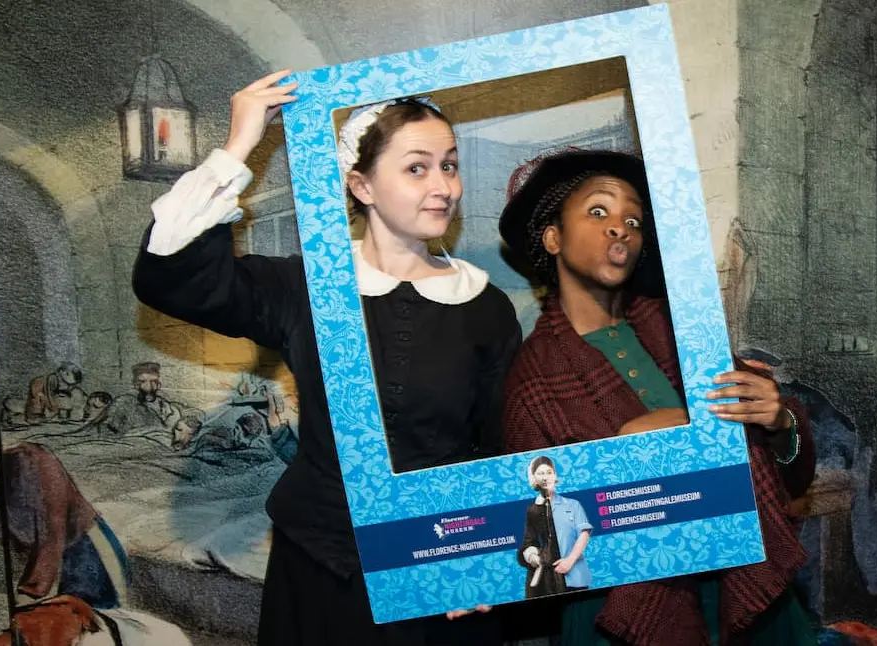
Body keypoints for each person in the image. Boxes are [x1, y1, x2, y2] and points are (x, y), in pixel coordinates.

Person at [131, 70, 521, 645]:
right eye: (416, 167)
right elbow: (170, 276)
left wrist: (487, 554)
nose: (443, 185)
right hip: (320, 571)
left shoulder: (483, 305)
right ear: (361, 185)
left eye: (450, 164)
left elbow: (499, 444)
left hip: (437, 572)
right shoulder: (306, 288)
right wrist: (239, 145)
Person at [499, 149, 816, 645]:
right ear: (553, 237)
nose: (620, 228)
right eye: (598, 212)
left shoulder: (685, 328)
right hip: (628, 613)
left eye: (633, 220)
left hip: (749, 589)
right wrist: (626, 458)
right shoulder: (531, 380)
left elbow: (791, 477)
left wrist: (781, 424)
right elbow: (539, 544)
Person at [0, 431, 128, 609]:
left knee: (107, 624)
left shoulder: (29, 461)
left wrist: (31, 590)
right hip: (48, 568)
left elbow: (51, 530)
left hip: (88, 551)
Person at [518, 455, 592, 599]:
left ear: (555, 475)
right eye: (540, 473)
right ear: (534, 478)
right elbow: (529, 541)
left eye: (549, 472)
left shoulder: (572, 504)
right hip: (544, 575)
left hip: (572, 570)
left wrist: (570, 560)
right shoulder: (532, 510)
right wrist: (532, 556)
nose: (545, 477)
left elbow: (584, 533)